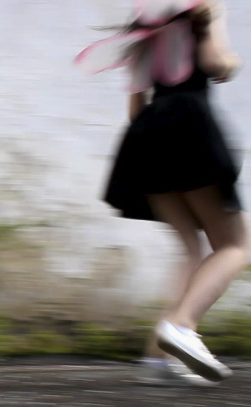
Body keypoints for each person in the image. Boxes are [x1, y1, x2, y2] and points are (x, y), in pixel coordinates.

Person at [76, 0, 245, 385]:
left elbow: (136, 107)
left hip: (147, 135)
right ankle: (182, 326)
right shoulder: (204, 7)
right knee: (235, 245)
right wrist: (231, 63)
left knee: (189, 249)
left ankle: (159, 359)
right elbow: (215, 62)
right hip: (191, 123)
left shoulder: (143, 29)